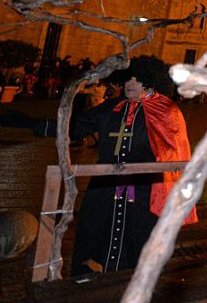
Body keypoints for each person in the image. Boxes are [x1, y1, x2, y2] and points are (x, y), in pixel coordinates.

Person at [71, 56, 197, 276]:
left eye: (137, 79)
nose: (130, 83)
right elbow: (75, 127)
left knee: (138, 243)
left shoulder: (166, 111)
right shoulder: (112, 107)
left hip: (144, 191)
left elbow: (173, 154)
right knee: (94, 235)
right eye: (127, 78)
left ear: (150, 81)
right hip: (104, 188)